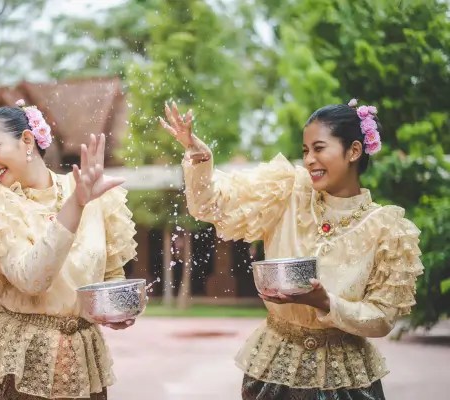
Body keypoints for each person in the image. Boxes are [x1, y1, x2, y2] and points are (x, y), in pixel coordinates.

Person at [160, 99, 423, 399]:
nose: (309, 160)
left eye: (319, 148)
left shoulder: (388, 229)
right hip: (274, 369)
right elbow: (210, 206)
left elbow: (382, 318)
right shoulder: (287, 191)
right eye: (305, 150)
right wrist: (198, 155)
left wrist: (327, 303)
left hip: (346, 381)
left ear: (353, 151)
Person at [0, 100, 137, 399]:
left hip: (82, 361)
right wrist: (76, 205)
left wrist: (116, 310)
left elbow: (110, 275)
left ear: (27, 140)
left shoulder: (92, 192)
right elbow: (31, 279)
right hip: (17, 361)